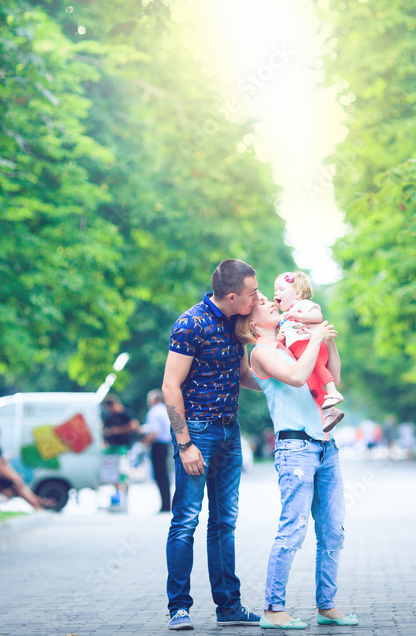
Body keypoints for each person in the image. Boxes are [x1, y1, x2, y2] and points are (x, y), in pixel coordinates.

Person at [235, 294, 357, 629]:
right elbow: (296, 378)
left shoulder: (290, 344)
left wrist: (326, 340)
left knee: (333, 531)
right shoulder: (261, 352)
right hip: (296, 450)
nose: (270, 302)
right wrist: (315, 338)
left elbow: (332, 376)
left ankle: (327, 605)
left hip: (324, 445)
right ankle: (273, 609)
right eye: (261, 302)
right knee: (293, 530)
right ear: (251, 320)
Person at [162, 258, 263, 631]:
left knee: (224, 523)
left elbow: (242, 375)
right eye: (252, 293)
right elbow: (170, 386)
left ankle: (229, 607)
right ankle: (179, 607)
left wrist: (283, 385)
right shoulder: (191, 323)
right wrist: (185, 443)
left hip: (229, 432)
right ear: (232, 295)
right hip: (198, 433)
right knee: (186, 521)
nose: (258, 298)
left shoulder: (236, 322)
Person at [273, 271, 344, 432]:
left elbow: (317, 316)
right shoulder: (284, 317)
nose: (276, 293)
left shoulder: (302, 305)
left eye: (281, 289)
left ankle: (333, 391)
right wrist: (281, 338)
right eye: (275, 290)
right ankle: (331, 411)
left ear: (298, 293)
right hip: (299, 352)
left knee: (318, 367)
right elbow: (287, 337)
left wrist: (298, 315)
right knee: (311, 384)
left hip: (308, 343)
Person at [0, 427, 48, 510]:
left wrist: (14, 477)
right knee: (18, 487)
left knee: (19, 486)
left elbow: (3, 466)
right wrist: (14, 477)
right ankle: (38, 503)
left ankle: (37, 501)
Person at [101, 395, 140, 508]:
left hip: (126, 447)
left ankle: (125, 491)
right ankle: (118, 492)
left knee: (124, 470)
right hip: (113, 447)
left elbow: (134, 425)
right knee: (114, 472)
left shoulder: (126, 413)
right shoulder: (108, 416)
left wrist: (118, 430)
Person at [141, 388, 173, 513]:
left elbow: (155, 432)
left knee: (160, 475)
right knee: (163, 475)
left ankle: (165, 504)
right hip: (165, 444)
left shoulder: (154, 412)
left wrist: (144, 443)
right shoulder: (165, 410)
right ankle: (166, 502)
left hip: (158, 445)